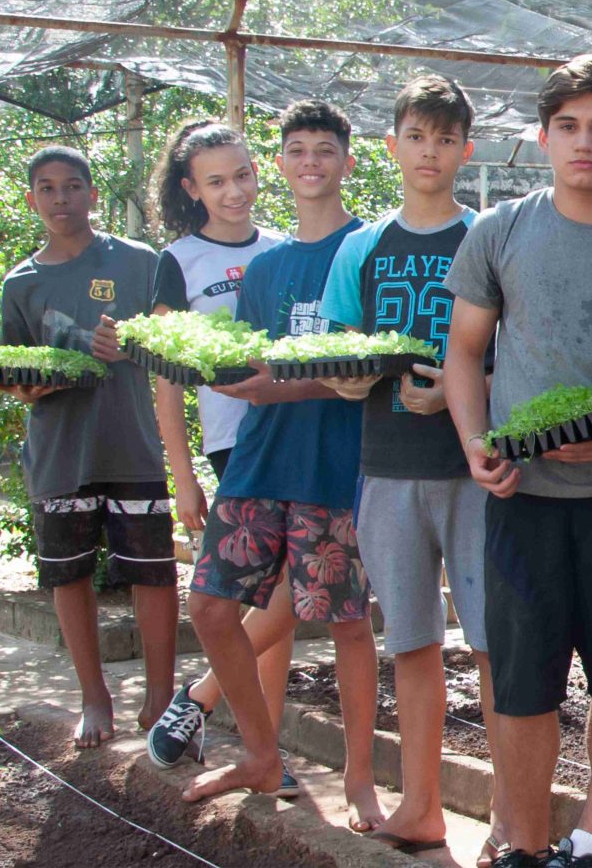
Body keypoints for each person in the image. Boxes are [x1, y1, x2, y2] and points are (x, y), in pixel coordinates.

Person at [441, 54, 592, 868]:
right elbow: (463, 353)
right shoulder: (501, 231)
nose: (584, 144)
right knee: (524, 683)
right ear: (542, 137)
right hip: (523, 497)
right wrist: (474, 445)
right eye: (568, 127)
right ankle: (524, 845)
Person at [145, 103, 378, 818]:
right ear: (282, 163)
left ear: (347, 159)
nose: (311, 162)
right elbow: (243, 365)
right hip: (257, 458)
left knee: (344, 622)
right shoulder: (265, 267)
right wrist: (185, 361)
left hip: (334, 462)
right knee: (211, 607)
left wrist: (281, 383)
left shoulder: (369, 248)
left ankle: (362, 783)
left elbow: (371, 365)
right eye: (296, 150)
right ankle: (259, 753)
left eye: (325, 150)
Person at [310, 71, 498, 843]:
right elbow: (332, 346)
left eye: (446, 138)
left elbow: (515, 355)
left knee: (493, 643)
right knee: (413, 643)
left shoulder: (487, 235)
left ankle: (509, 820)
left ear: (466, 149)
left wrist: (462, 394)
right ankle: (422, 807)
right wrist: (346, 376)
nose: (430, 152)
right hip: (386, 470)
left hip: (478, 475)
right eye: (416, 137)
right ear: (391, 147)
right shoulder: (363, 245)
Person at [0, 146, 176, 751]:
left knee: (152, 572)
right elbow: (14, 370)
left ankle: (159, 695)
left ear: (93, 194)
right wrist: (28, 384)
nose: (60, 199)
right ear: (31, 200)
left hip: (131, 444)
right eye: (46, 188)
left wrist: (132, 345)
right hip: (59, 452)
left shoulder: (140, 262)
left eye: (72, 186)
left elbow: (174, 344)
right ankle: (94, 696)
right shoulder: (21, 283)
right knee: (69, 576)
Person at [144, 119, 283, 526]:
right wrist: (184, 481)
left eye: (242, 176)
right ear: (192, 189)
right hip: (230, 437)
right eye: (216, 182)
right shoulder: (179, 260)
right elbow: (167, 379)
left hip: (290, 427)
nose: (234, 192)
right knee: (261, 569)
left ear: (256, 171)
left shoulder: (282, 248)